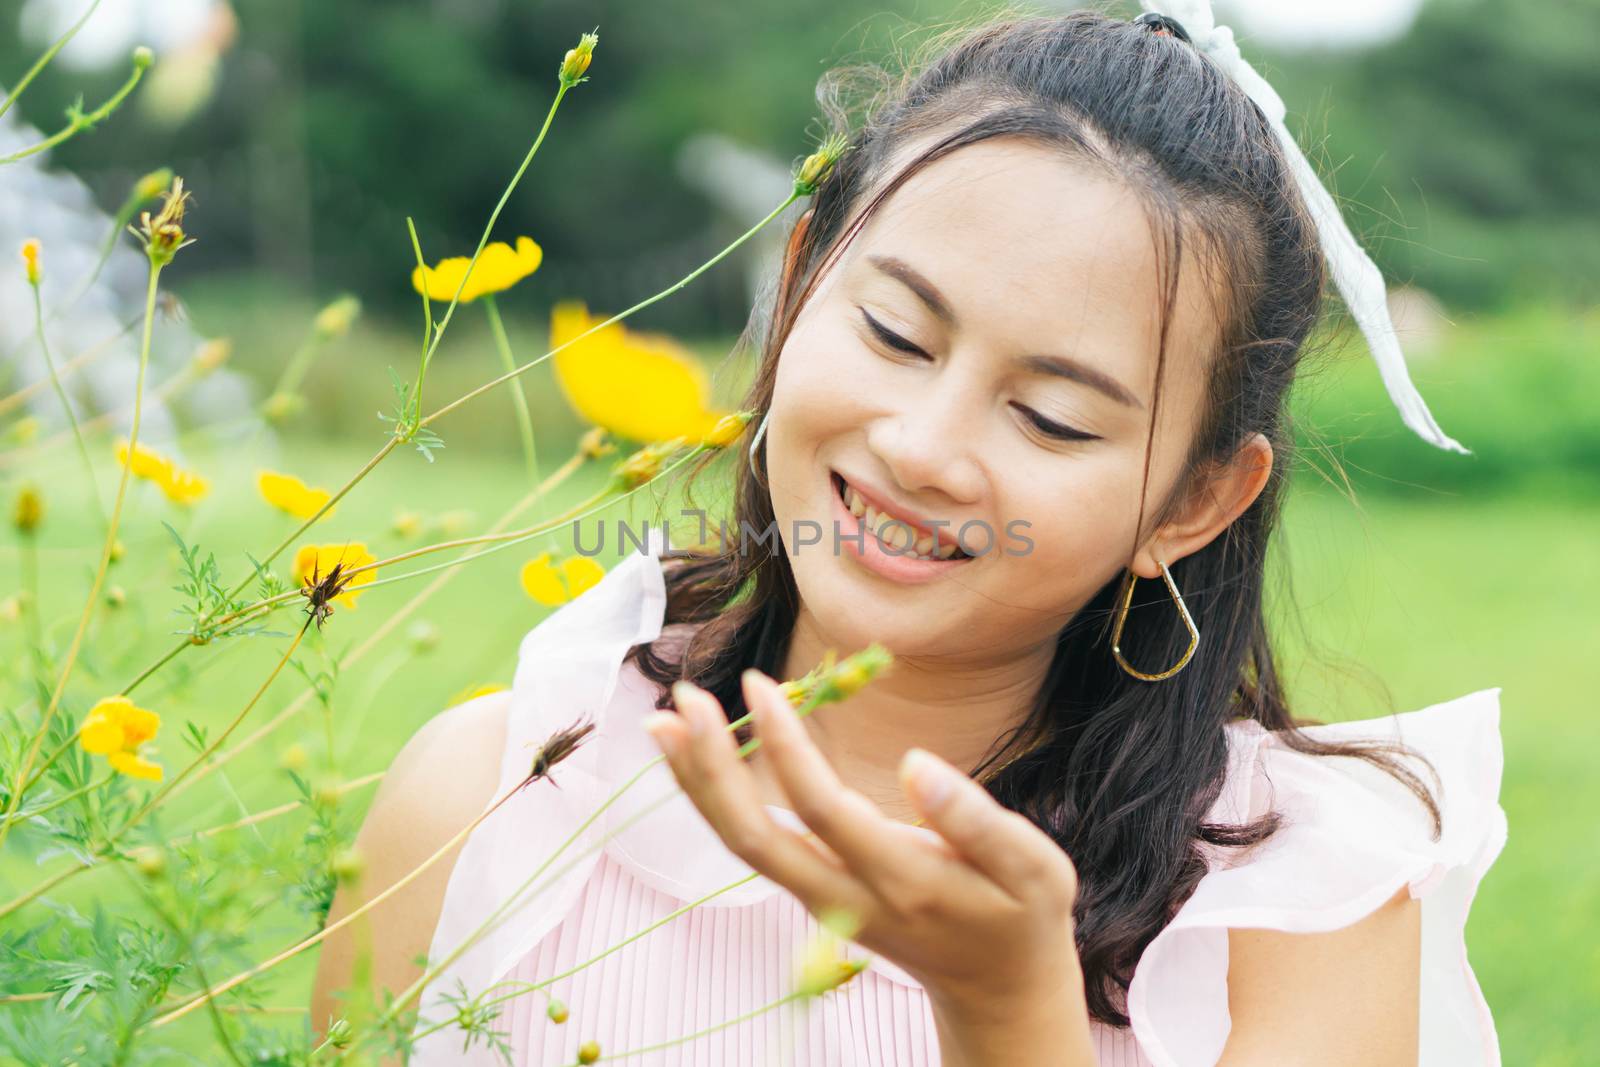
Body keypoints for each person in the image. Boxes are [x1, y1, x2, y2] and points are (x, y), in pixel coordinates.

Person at [312, 7, 1506, 1065]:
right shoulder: (491, 792)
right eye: (894, 333)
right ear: (796, 281)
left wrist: (1006, 1008)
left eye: (1051, 416)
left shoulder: (1296, 912)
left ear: (1193, 500)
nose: (926, 447)